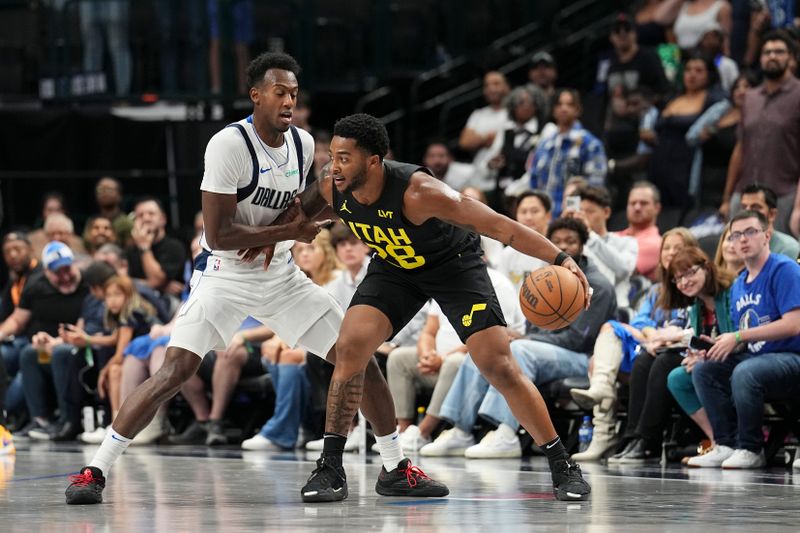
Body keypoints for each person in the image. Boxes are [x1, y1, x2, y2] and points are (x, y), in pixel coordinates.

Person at [63, 52, 445, 505]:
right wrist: (289, 231)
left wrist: (289, 229)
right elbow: (220, 233)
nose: (289, 101)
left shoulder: (302, 143)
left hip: (281, 275)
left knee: (357, 355)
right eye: (280, 92)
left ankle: (394, 466)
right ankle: (96, 470)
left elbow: (304, 204)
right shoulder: (228, 145)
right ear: (256, 94)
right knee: (175, 371)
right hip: (224, 274)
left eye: (295, 94)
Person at [290, 113, 592, 502]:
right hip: (395, 268)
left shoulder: (420, 192)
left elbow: (503, 227)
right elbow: (297, 216)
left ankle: (562, 464)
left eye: (345, 157)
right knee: (349, 348)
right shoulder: (333, 187)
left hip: (454, 269)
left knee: (497, 364)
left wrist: (561, 258)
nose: (334, 165)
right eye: (332, 155)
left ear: (374, 161)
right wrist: (263, 239)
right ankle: (332, 467)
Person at [421, 218, 616, 459]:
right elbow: (532, 331)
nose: (564, 246)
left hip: (584, 359)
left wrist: (525, 341)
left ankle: (505, 433)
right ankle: (459, 431)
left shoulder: (598, 285)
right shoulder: (544, 279)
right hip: (544, 350)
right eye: (557, 242)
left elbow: (576, 341)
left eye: (571, 241)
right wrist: (520, 338)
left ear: (583, 245)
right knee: (488, 348)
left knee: (520, 350)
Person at [571, 227, 696, 461]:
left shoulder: (693, 285)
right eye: (666, 248)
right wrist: (652, 335)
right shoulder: (656, 290)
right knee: (608, 338)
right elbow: (641, 321)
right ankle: (603, 430)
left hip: (677, 349)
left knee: (640, 360)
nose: (670, 253)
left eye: (678, 248)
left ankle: (628, 434)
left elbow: (692, 324)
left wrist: (659, 338)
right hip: (651, 344)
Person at [689, 210, 800, 468]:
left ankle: (751, 448)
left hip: (792, 358)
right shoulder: (739, 283)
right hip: (760, 358)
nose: (743, 239)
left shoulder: (784, 270)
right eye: (736, 235)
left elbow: (794, 324)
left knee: (745, 371)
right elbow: (747, 335)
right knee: (705, 369)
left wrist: (739, 336)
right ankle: (725, 444)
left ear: (767, 236)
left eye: (750, 232)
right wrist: (722, 345)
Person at [721, 31, 800, 233]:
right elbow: (740, 148)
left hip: (783, 197)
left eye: (779, 52)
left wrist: (798, 207)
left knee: (783, 259)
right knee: (738, 259)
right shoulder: (750, 98)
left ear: (791, 57)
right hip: (744, 195)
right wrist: (727, 198)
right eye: (766, 52)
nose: (772, 56)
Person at [664, 246, 736, 463]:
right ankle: (717, 441)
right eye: (678, 279)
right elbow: (704, 344)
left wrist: (706, 358)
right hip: (716, 362)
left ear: (706, 267)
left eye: (689, 273)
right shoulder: (696, 305)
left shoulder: (731, 292)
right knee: (677, 378)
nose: (684, 282)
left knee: (702, 371)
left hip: (741, 356)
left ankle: (729, 441)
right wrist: (697, 356)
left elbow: (737, 338)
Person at [647, 50, 722, 210]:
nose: (692, 75)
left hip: (687, 165)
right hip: (659, 162)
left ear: (709, 74)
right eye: (688, 70)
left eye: (698, 70)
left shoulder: (714, 101)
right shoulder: (673, 97)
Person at [529, 89, 607, 218]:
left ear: (578, 110)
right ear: (553, 110)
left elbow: (595, 186)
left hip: (573, 216)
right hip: (543, 216)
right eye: (559, 104)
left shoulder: (590, 144)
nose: (564, 108)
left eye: (569, 105)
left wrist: (575, 212)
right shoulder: (545, 144)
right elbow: (533, 179)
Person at [686, 73, 756, 209]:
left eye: (747, 86)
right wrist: (703, 135)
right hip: (705, 178)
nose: (741, 91)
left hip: (735, 182)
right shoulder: (721, 111)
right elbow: (691, 137)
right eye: (737, 87)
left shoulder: (755, 119)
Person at [565, 185, 638, 309]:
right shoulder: (571, 245)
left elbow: (623, 269)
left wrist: (589, 234)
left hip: (614, 311)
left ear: (606, 212)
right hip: (576, 308)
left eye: (589, 211)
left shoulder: (626, 242)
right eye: (579, 211)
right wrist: (563, 232)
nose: (582, 216)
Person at [458, 71, 511, 186]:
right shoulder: (478, 114)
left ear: (507, 87)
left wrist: (478, 139)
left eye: (496, 84)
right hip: (479, 178)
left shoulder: (514, 113)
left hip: (504, 179)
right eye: (487, 85)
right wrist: (485, 138)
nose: (491, 88)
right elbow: (464, 142)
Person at [738, 183, 800, 259]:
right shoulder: (735, 244)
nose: (747, 212)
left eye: (756, 207)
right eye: (744, 207)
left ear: (772, 214)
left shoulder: (788, 248)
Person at [617, 181, 663, 281]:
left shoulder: (657, 243)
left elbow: (621, 272)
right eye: (633, 203)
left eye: (644, 203)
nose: (637, 207)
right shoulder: (615, 236)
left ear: (657, 208)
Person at [87, 177, 133, 247]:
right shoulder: (91, 221)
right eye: (100, 190)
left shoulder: (126, 223)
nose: (104, 193)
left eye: (110, 190)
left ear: (119, 196)